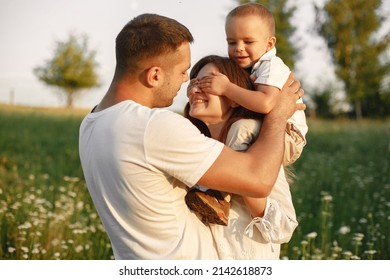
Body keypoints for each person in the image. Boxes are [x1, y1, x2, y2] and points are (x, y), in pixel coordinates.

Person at [78, 13, 305, 260]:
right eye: (185, 72)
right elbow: (258, 179)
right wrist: (278, 113)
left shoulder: (91, 125)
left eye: (205, 82)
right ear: (154, 75)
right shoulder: (152, 128)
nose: (188, 82)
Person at [185, 3, 308, 226]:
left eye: (248, 42)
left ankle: (220, 192)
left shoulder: (271, 66)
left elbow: (266, 104)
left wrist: (226, 88)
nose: (238, 48)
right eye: (232, 42)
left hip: (288, 132)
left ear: (270, 43)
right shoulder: (249, 68)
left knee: (242, 128)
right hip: (270, 127)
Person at [184, 55, 298, 259]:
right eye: (193, 83)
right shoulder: (193, 148)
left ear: (235, 97)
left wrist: (243, 182)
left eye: (207, 82)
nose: (194, 90)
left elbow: (283, 228)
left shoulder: (252, 138)